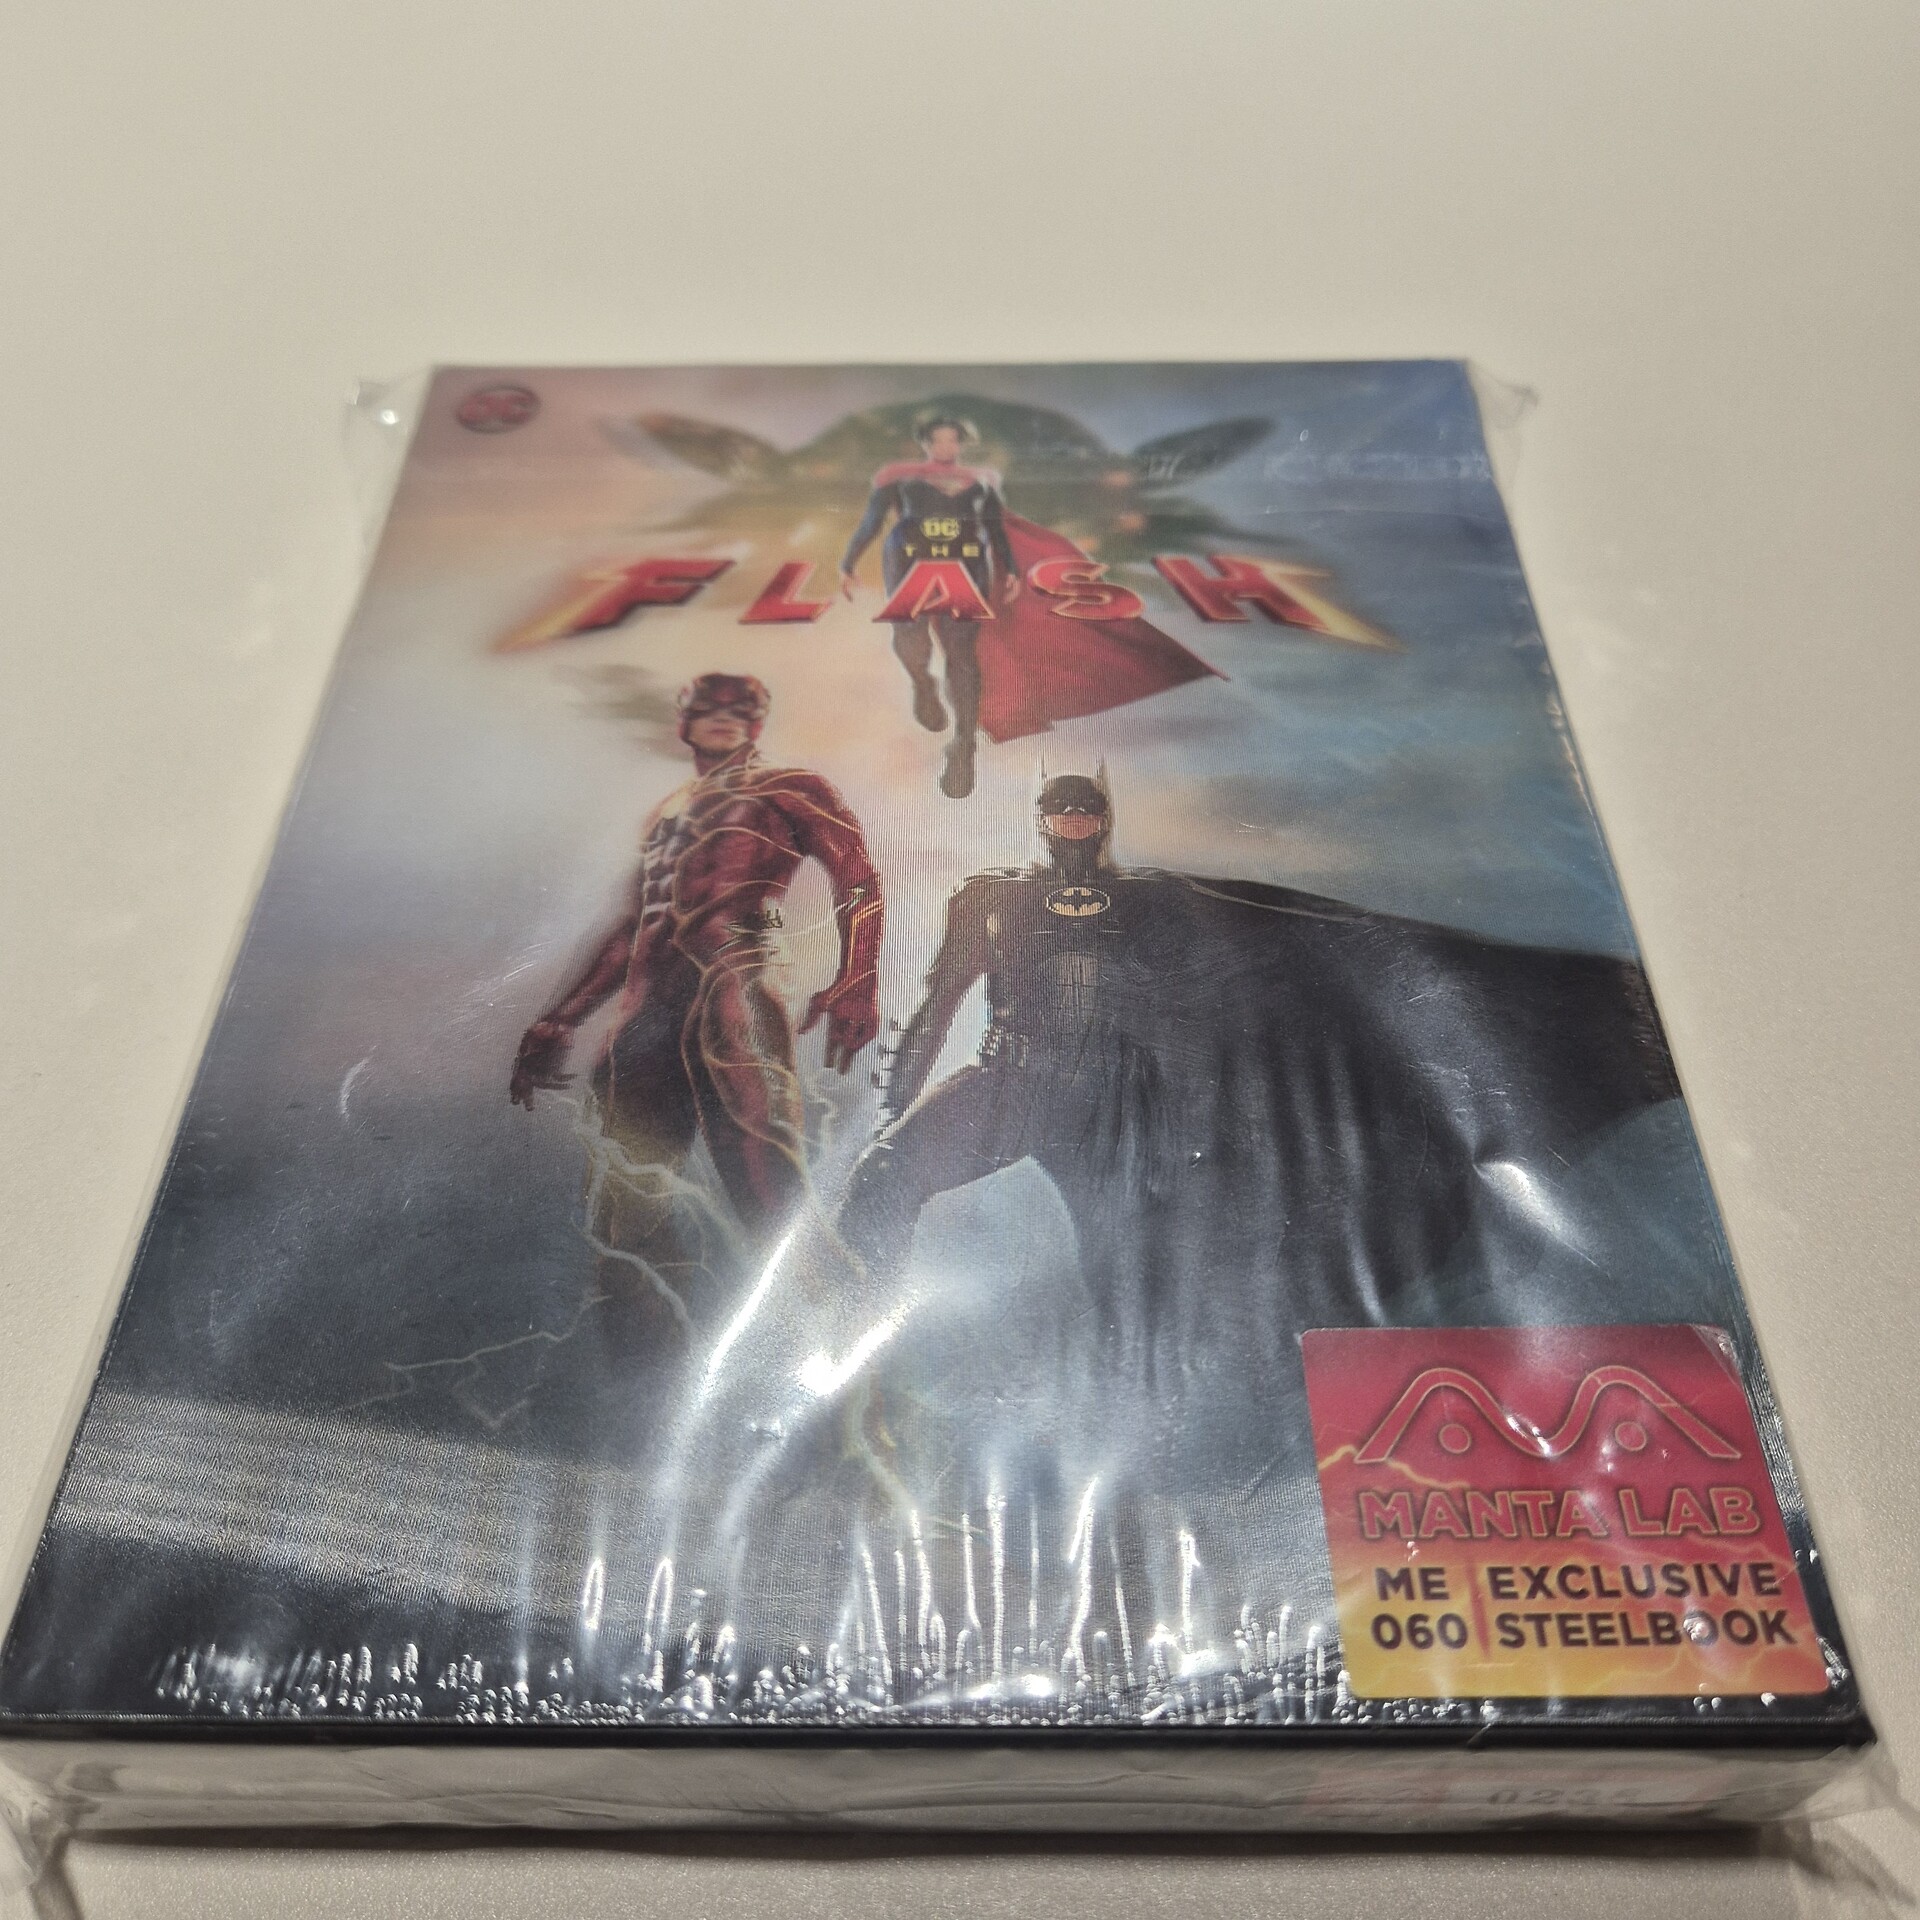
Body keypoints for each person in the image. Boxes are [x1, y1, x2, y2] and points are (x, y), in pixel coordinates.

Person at [835, 772, 1680, 1388]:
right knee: (883, 1176)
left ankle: (1153, 1402)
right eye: (1061, 815)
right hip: (1010, 1081)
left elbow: (1283, 948)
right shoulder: (990, 899)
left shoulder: (1154, 902)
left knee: (1131, 1271)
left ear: (1102, 825)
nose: (1074, 827)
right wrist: (895, 1108)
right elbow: (937, 1005)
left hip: (1112, 1103)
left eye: (1086, 814)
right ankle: (863, 1348)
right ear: (1041, 824)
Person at [512, 672, 883, 1346]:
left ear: (758, 722)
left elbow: (858, 880)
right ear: (684, 721)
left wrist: (858, 980)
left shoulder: (789, 788)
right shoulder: (668, 815)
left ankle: (848, 1347)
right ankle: (648, 1372)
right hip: (647, 1012)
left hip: (732, 990)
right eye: (708, 704)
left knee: (766, 1190)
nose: (724, 713)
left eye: (741, 705)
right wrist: (562, 1017)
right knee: (624, 1215)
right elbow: (637, 926)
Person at [840, 415, 1019, 799]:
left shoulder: (980, 482)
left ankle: (965, 741)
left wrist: (1012, 570)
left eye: (952, 440)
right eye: (938, 440)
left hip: (965, 560)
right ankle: (923, 684)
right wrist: (849, 562)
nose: (945, 447)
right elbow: (871, 522)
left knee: (961, 651)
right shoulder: (898, 478)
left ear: (961, 444)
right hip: (910, 558)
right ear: (925, 442)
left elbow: (996, 530)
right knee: (909, 635)